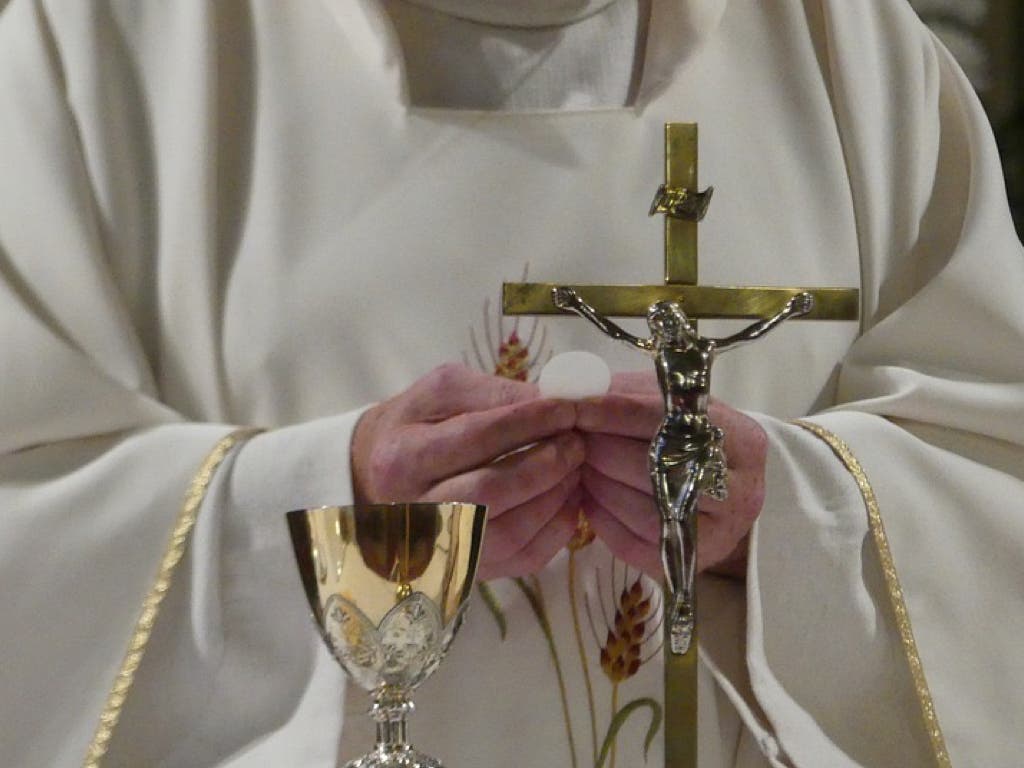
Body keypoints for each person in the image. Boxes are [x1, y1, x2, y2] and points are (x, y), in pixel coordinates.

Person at [1, 1, 1022, 767]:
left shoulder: (851, 46)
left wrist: (794, 519)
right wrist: (322, 509)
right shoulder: (94, 49)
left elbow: (991, 465)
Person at [553, 287, 814, 655]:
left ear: (680, 320)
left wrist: (787, 311)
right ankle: (682, 598)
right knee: (673, 521)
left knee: (687, 522)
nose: (665, 328)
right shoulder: (661, 353)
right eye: (658, 324)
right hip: (668, 444)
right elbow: (615, 333)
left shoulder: (704, 350)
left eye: (668, 320)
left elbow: (750, 334)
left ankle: (683, 596)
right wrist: (579, 306)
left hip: (700, 442)